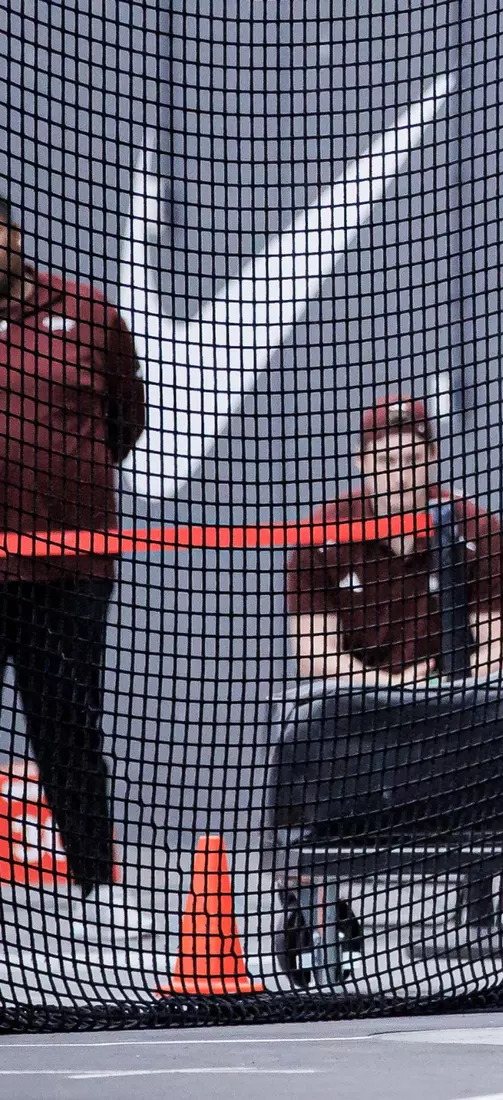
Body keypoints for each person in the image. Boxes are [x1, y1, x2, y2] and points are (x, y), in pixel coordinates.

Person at [0, 195, 148, 940]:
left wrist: (67, 492)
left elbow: (125, 419)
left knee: (68, 726)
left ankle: (94, 884)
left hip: (70, 571)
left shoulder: (88, 314)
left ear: (13, 235)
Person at [285, 396, 503, 686]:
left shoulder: (476, 529)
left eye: (413, 460)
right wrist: (390, 688)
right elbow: (313, 654)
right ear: (361, 460)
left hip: (456, 709)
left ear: (434, 455)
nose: (400, 476)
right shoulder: (321, 537)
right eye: (387, 460)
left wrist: (439, 688)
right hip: (358, 712)